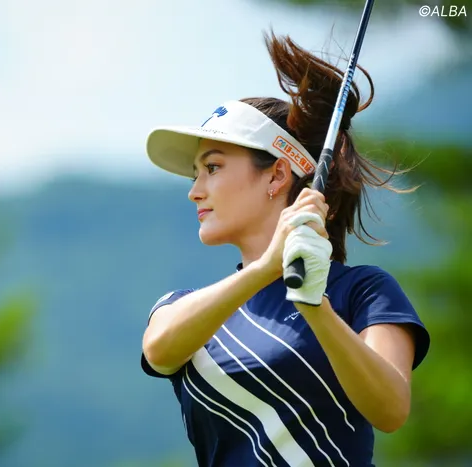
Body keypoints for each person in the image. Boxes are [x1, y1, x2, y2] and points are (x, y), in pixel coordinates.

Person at [140, 32, 430, 467]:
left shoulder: (362, 292)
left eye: (212, 167)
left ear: (277, 175)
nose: (194, 191)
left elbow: (390, 409)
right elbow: (159, 350)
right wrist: (265, 269)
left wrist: (316, 309)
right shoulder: (181, 307)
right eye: (194, 174)